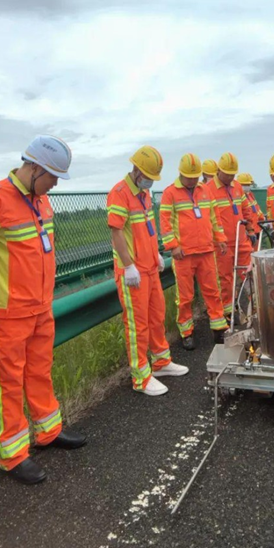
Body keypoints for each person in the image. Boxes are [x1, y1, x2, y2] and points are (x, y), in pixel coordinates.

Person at [0, 136, 86, 484]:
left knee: (39, 371)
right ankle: (12, 456)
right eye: (52, 176)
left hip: (39, 307)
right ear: (34, 167)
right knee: (7, 384)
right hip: (6, 312)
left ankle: (48, 431)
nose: (54, 184)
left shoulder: (42, 200)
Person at [108, 146, 188, 396]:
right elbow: (116, 232)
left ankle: (162, 363)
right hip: (134, 274)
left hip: (150, 268)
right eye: (148, 176)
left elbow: (148, 229)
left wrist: (156, 255)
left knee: (156, 317)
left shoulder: (143, 194)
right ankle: (141, 377)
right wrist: (128, 265)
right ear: (136, 170)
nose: (151, 181)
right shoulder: (119, 193)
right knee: (137, 325)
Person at [159, 153, 227, 349]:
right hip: (184, 255)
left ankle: (219, 328)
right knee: (185, 297)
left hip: (206, 251)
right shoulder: (170, 193)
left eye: (196, 177)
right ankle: (186, 333)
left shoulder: (205, 190)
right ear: (181, 173)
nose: (193, 180)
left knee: (213, 291)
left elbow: (215, 218)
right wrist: (173, 245)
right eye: (190, 177)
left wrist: (220, 239)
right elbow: (165, 222)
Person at [203, 152, 257, 324]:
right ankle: (228, 312)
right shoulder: (208, 189)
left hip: (241, 240)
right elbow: (207, 218)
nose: (230, 177)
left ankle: (255, 306)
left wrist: (250, 229)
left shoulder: (237, 187)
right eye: (228, 174)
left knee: (250, 273)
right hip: (222, 244)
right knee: (225, 279)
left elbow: (245, 208)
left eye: (233, 174)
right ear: (219, 171)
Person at [237, 173, 265, 243]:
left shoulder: (250, 195)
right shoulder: (238, 198)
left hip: (256, 228)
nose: (247, 187)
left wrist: (262, 219)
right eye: (245, 185)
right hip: (248, 231)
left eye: (248, 185)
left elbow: (257, 209)